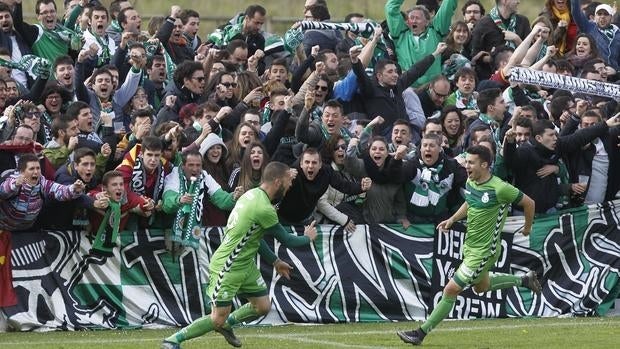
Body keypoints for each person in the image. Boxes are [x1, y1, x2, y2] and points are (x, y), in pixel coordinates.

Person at [161, 161, 318, 349]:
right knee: (217, 318)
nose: (290, 185)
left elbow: (253, 238)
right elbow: (287, 239)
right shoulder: (264, 209)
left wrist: (275, 261)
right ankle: (173, 340)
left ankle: (228, 324)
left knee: (262, 306)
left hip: (245, 264)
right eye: (288, 181)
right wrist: (308, 238)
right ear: (277, 181)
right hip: (228, 265)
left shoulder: (251, 195)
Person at [396, 145, 540, 345]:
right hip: (471, 247)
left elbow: (530, 203)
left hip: (485, 251)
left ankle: (420, 333)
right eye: (467, 162)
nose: (467, 166)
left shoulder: (500, 188)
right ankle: (524, 280)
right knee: (482, 287)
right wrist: (452, 219)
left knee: (450, 290)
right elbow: (470, 202)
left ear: (485, 165)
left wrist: (527, 227)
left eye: (471, 163)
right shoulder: (472, 182)